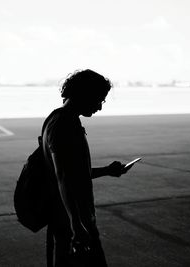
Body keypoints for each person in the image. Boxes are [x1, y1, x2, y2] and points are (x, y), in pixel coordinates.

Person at [42, 69, 134, 266]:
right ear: (84, 94)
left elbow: (74, 173)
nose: (100, 107)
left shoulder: (65, 120)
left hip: (75, 218)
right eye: (99, 99)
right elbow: (63, 176)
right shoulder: (62, 124)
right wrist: (76, 224)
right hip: (71, 220)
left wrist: (107, 170)